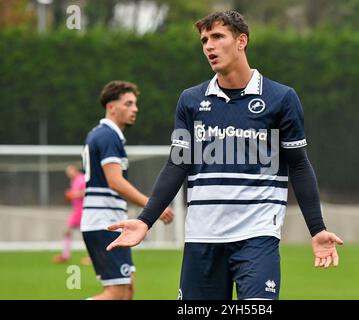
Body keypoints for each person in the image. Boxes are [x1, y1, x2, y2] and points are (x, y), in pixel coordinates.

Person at [106, 11, 343, 300]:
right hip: (202, 239)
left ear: (241, 41)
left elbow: (300, 165)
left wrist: (317, 229)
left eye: (217, 37)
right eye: (204, 40)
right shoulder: (191, 100)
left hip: (257, 237)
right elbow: (176, 165)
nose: (208, 46)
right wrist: (145, 220)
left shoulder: (281, 98)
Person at [81, 80, 174, 300]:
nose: (135, 109)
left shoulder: (104, 135)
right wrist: (153, 206)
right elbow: (115, 182)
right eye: (128, 103)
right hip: (104, 222)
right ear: (111, 107)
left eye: (135, 104)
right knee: (117, 293)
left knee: (126, 292)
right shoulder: (107, 136)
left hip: (106, 221)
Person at [53, 164, 90, 265]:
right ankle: (65, 255)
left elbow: (87, 192)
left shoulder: (82, 178)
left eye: (70, 171)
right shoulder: (73, 180)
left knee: (87, 234)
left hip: (83, 210)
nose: (68, 174)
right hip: (76, 210)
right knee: (67, 231)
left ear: (75, 169)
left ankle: (91, 257)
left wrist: (74, 194)